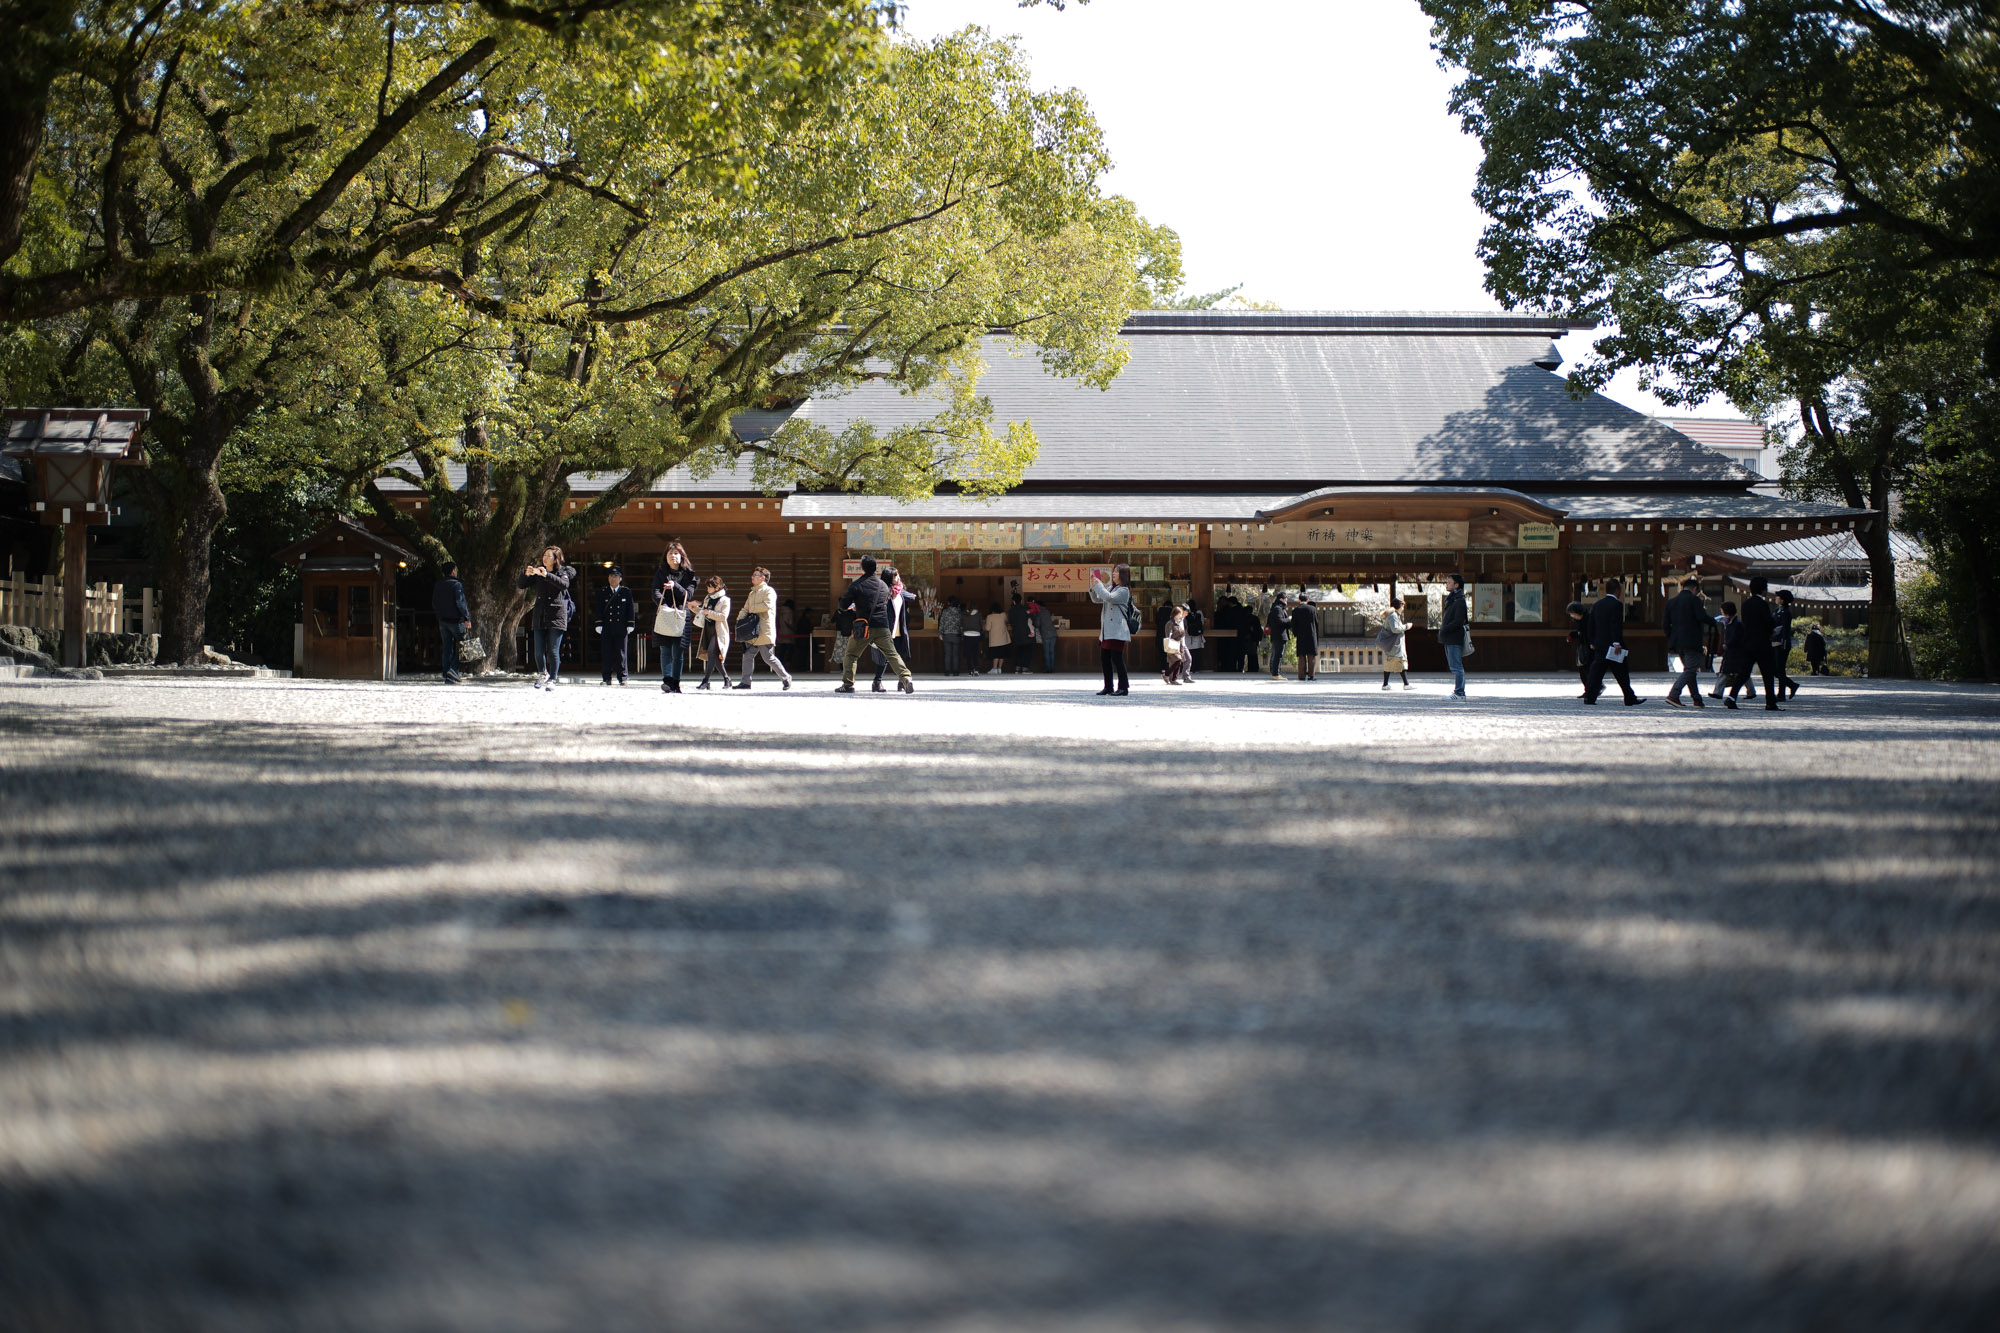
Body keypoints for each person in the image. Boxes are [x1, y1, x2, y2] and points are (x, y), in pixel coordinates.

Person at [835, 555, 914, 693]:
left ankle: (848, 685)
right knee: (892, 654)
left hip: (863, 628)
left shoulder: (856, 585)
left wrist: (855, 606)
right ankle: (905, 678)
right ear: (876, 568)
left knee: (851, 655)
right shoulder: (884, 586)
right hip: (883, 626)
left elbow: (842, 605)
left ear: (862, 568)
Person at [516, 545, 574, 690]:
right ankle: (543, 673)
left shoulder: (562, 572)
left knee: (553, 650)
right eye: (544, 555)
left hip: (556, 615)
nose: (545, 558)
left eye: (549, 556)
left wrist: (547, 575)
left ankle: (553, 679)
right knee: (538, 650)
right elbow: (521, 585)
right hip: (540, 614)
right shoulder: (538, 571)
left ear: (556, 559)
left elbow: (564, 585)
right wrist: (526, 574)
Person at [1582, 579, 1644, 705]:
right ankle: (1629, 697)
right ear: (1618, 590)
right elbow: (1615, 625)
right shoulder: (1616, 605)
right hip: (1612, 646)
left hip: (1600, 644)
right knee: (1622, 673)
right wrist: (1616, 642)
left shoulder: (1597, 604)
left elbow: (1591, 624)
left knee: (1596, 672)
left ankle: (1589, 696)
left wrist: (1592, 641)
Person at [733, 565, 792, 690]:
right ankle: (745, 682)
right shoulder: (752, 592)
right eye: (753, 575)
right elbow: (745, 608)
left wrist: (751, 609)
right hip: (752, 629)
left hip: (764, 629)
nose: (752, 577)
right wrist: (739, 620)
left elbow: (767, 605)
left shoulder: (769, 591)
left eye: (755, 575)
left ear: (763, 578)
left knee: (768, 657)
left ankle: (786, 677)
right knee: (748, 655)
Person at [651, 539, 696, 694]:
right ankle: (667, 680)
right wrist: (663, 604)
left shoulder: (690, 575)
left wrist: (674, 585)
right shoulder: (661, 573)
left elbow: (688, 595)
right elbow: (655, 591)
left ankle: (676, 683)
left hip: (681, 616)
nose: (673, 556)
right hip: (665, 614)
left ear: (681, 556)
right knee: (665, 650)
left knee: (678, 652)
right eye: (670, 553)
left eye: (676, 553)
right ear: (666, 557)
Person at [1733, 576, 1782, 710]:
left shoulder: (1746, 604)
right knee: (1767, 673)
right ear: (1763, 590)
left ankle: (1731, 697)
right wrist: (1773, 626)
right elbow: (1767, 622)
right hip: (1762, 643)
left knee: (1744, 673)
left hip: (1748, 642)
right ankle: (1770, 702)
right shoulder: (1762, 604)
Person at [1660, 578, 1709, 709]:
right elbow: (1701, 617)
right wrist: (1713, 622)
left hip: (1677, 642)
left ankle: (1697, 699)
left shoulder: (1671, 602)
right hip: (1692, 641)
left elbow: (1665, 624)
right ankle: (1674, 694)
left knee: (1690, 670)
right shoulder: (1694, 600)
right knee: (1690, 670)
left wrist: (1672, 637)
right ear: (1695, 589)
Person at [1089, 564, 1134, 696]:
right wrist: (1093, 588)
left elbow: (1110, 598)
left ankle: (1123, 687)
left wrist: (1099, 587)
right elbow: (1098, 599)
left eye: (1117, 572)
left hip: (1117, 630)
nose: (1114, 574)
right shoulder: (1111, 588)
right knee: (1105, 659)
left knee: (1117, 659)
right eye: (1114, 571)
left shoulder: (1124, 590)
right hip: (1107, 631)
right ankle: (1108, 686)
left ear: (1123, 575)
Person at [871, 571, 916, 692]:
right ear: (888, 578)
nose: (898, 577)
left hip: (899, 631)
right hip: (885, 630)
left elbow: (912, 597)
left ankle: (902, 682)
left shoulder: (899, 592)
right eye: (895, 576)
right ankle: (877, 682)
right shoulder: (883, 592)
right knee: (884, 659)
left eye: (898, 575)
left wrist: (901, 590)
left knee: (900, 656)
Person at [594, 565, 637, 686]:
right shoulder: (603, 592)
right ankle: (606, 678)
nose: (614, 579)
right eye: (611, 576)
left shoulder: (626, 592)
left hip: (621, 627)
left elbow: (630, 609)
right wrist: (598, 623)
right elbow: (598, 609)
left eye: (616, 576)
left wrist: (630, 623)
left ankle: (622, 677)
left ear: (620, 578)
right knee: (606, 653)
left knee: (621, 653)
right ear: (608, 578)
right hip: (607, 627)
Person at [432, 561, 470, 684]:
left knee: (447, 647)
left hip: (443, 621)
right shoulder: (456, 585)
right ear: (453, 571)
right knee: (463, 646)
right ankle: (453, 670)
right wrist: (467, 617)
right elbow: (460, 603)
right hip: (456, 621)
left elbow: (434, 603)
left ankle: (446, 672)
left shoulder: (438, 585)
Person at [695, 574, 732, 690]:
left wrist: (708, 613)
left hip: (718, 631)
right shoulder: (708, 598)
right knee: (714, 657)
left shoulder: (725, 600)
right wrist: (693, 607)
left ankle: (705, 681)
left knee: (711, 653)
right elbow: (703, 611)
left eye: (709, 587)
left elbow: (723, 616)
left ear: (717, 587)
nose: (707, 589)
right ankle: (727, 679)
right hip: (708, 629)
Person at [1437, 573, 1470, 699]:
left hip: (1454, 637)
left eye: (1449, 582)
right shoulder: (1452, 599)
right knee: (1454, 666)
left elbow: (1458, 621)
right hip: (1449, 637)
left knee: (1457, 667)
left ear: (1456, 585)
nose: (1447, 584)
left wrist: (1445, 628)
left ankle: (1459, 693)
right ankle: (1458, 692)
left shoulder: (1459, 600)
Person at [1772, 588, 1800, 700]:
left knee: (1779, 669)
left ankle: (1782, 693)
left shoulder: (1786, 612)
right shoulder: (1777, 611)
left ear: (1782, 600)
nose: (1776, 598)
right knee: (1776, 669)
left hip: (1781, 643)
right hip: (1775, 642)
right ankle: (1791, 686)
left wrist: (1782, 641)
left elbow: (1785, 629)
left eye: (1778, 597)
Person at [1378, 596, 1411, 689]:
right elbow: (1395, 629)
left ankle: (1386, 684)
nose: (1403, 608)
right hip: (1394, 644)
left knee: (1393, 663)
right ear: (1399, 606)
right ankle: (1406, 684)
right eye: (1402, 606)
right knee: (1399, 662)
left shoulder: (1393, 615)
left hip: (1394, 644)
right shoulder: (1393, 616)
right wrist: (1406, 626)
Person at [1290, 594, 1320, 681]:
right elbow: (1316, 622)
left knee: (1301, 656)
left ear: (1299, 600)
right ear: (1307, 600)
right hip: (1311, 634)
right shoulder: (1313, 609)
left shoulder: (1296, 610)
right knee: (1311, 656)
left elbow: (1293, 625)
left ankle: (1301, 676)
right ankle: (1311, 676)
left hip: (1301, 635)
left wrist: (1296, 634)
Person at [1565, 600, 1591, 697]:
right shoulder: (1580, 621)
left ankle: (1592, 689)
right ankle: (1588, 689)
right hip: (1582, 646)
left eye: (1572, 613)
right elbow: (1580, 632)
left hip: (1588, 646)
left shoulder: (1588, 619)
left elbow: (1588, 633)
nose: (1572, 616)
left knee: (1587, 669)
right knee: (1582, 670)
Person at [1160, 605, 1190, 684]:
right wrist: (1179, 632)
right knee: (1178, 660)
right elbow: (1169, 635)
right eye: (1180, 614)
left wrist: (1181, 633)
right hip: (1173, 644)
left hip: (1179, 644)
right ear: (1176, 614)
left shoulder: (1178, 622)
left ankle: (1173, 679)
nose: (1181, 615)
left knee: (1179, 661)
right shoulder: (1170, 623)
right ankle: (1167, 675)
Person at [1265, 592, 1292, 678]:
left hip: (1279, 635)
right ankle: (1275, 673)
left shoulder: (1279, 608)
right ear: (1281, 599)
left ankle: (1277, 672)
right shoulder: (1278, 609)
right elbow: (1280, 622)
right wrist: (1289, 619)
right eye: (1286, 600)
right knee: (1277, 655)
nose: (1287, 602)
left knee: (1278, 654)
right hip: (1279, 635)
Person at [938, 597, 965, 676]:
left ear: (949, 603)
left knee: (947, 654)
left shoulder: (945, 612)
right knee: (956, 654)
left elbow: (942, 623)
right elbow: (961, 625)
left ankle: (947, 671)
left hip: (946, 634)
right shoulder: (959, 612)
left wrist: (940, 633)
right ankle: (956, 671)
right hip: (956, 635)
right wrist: (962, 634)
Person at [1008, 593, 1033, 674]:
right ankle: (1025, 668)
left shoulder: (1011, 610)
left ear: (1013, 601)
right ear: (1021, 600)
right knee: (1027, 650)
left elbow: (1010, 622)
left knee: (1019, 651)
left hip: (1016, 634)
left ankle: (1017, 668)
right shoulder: (1026, 608)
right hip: (1026, 633)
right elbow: (1031, 620)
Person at [983, 602, 1010, 674]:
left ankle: (994, 669)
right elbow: (1007, 622)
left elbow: (988, 628)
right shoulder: (1003, 615)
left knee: (995, 654)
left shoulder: (990, 616)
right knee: (1002, 654)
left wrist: (984, 624)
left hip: (995, 639)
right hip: (1004, 638)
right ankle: (999, 669)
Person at [1032, 598, 1058, 673]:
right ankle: (1051, 668)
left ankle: (1047, 668)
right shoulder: (1047, 611)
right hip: (1053, 634)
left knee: (1046, 652)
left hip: (1046, 634)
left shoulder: (1038, 612)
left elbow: (1037, 624)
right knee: (1051, 652)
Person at [1182, 601, 1205, 678]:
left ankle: (1190, 669)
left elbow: (1184, 623)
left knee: (1189, 653)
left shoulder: (1186, 613)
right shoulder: (1199, 612)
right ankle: (1197, 668)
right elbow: (1202, 622)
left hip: (1188, 635)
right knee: (1197, 653)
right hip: (1197, 636)